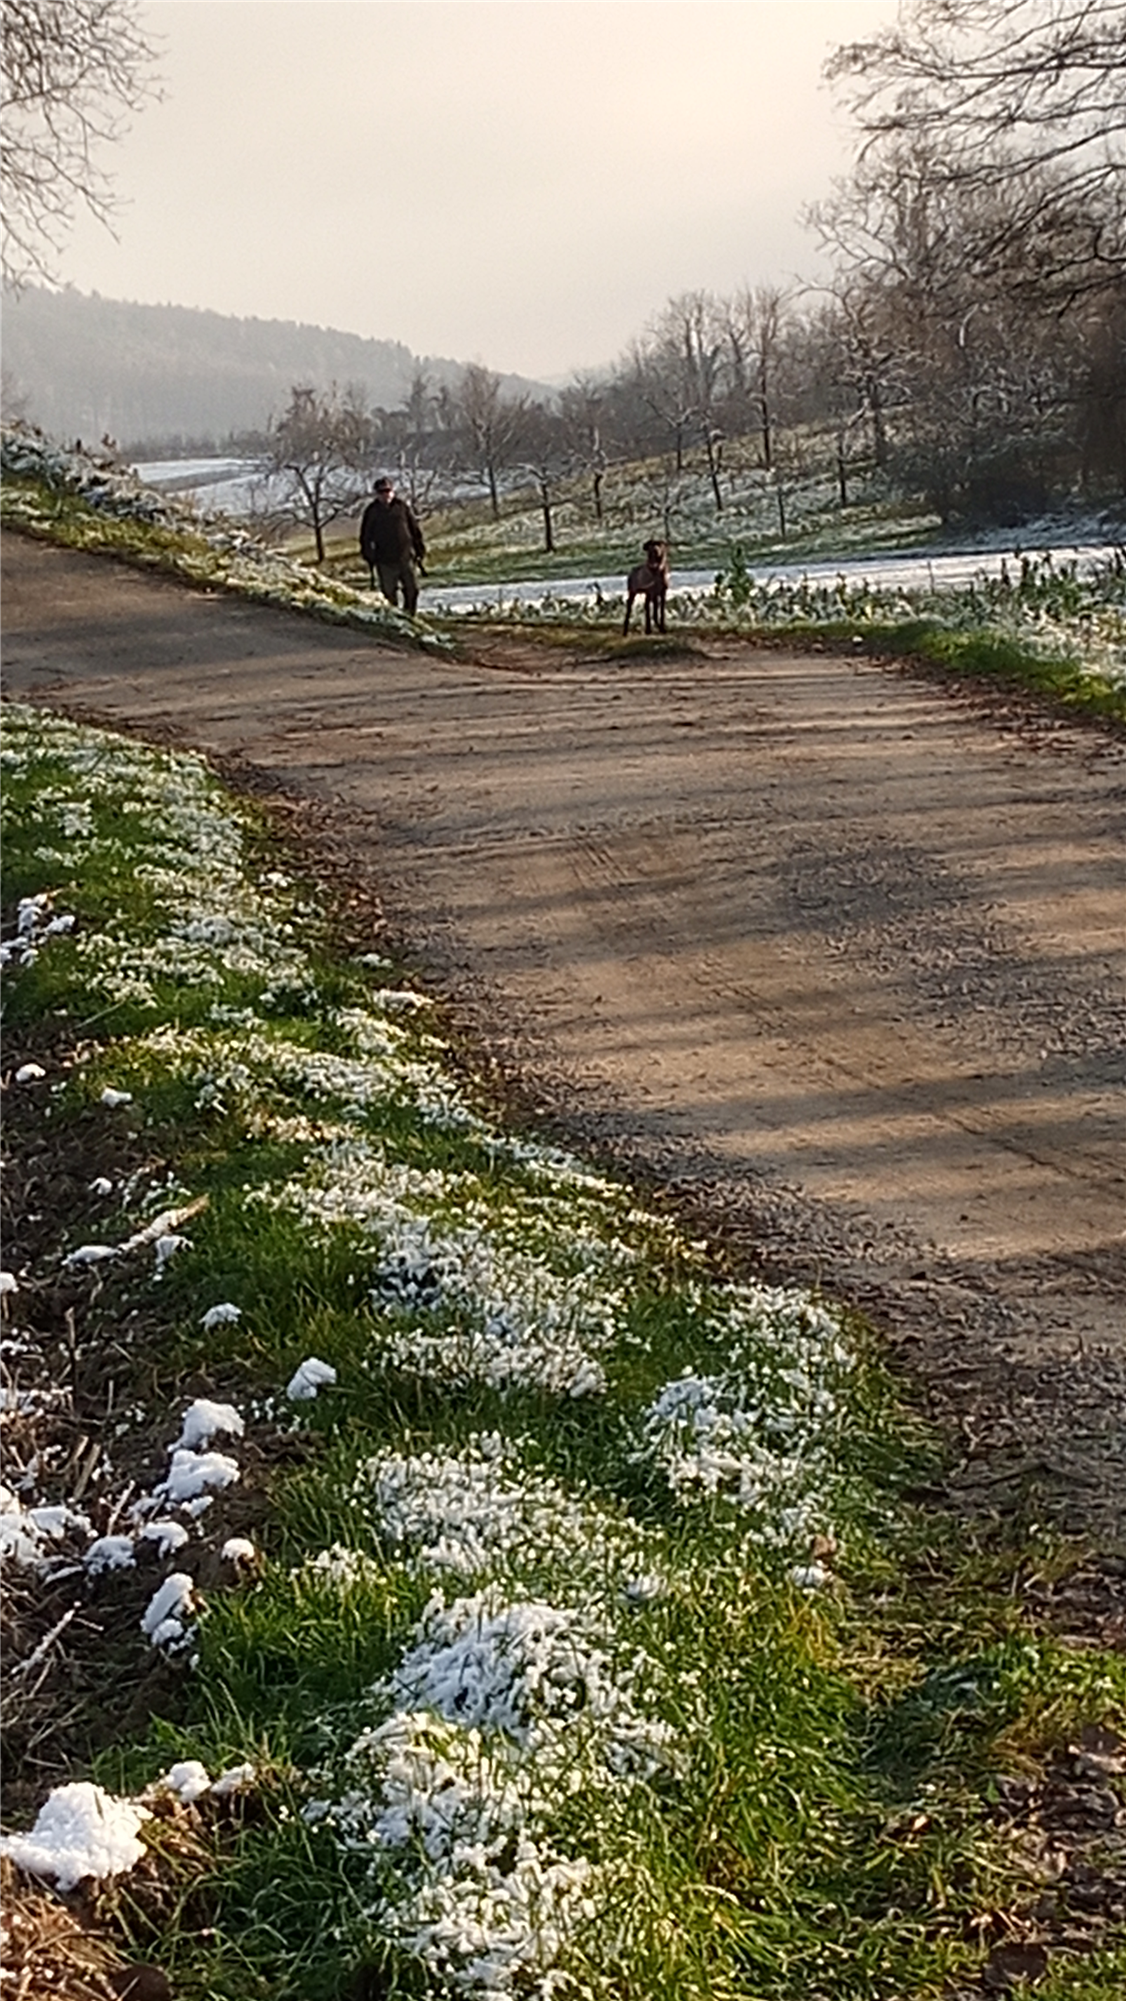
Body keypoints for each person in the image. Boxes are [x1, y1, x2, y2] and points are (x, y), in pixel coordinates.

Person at [359, 476, 426, 614]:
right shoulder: (372, 511)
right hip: (385, 561)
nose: (385, 494)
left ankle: (410, 615)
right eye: (381, 492)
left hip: (406, 557)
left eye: (388, 491)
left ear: (393, 491)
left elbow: (414, 529)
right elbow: (365, 536)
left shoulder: (402, 507)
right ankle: (395, 618)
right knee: (389, 594)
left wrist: (420, 549)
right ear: (376, 494)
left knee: (413, 590)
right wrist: (368, 555)